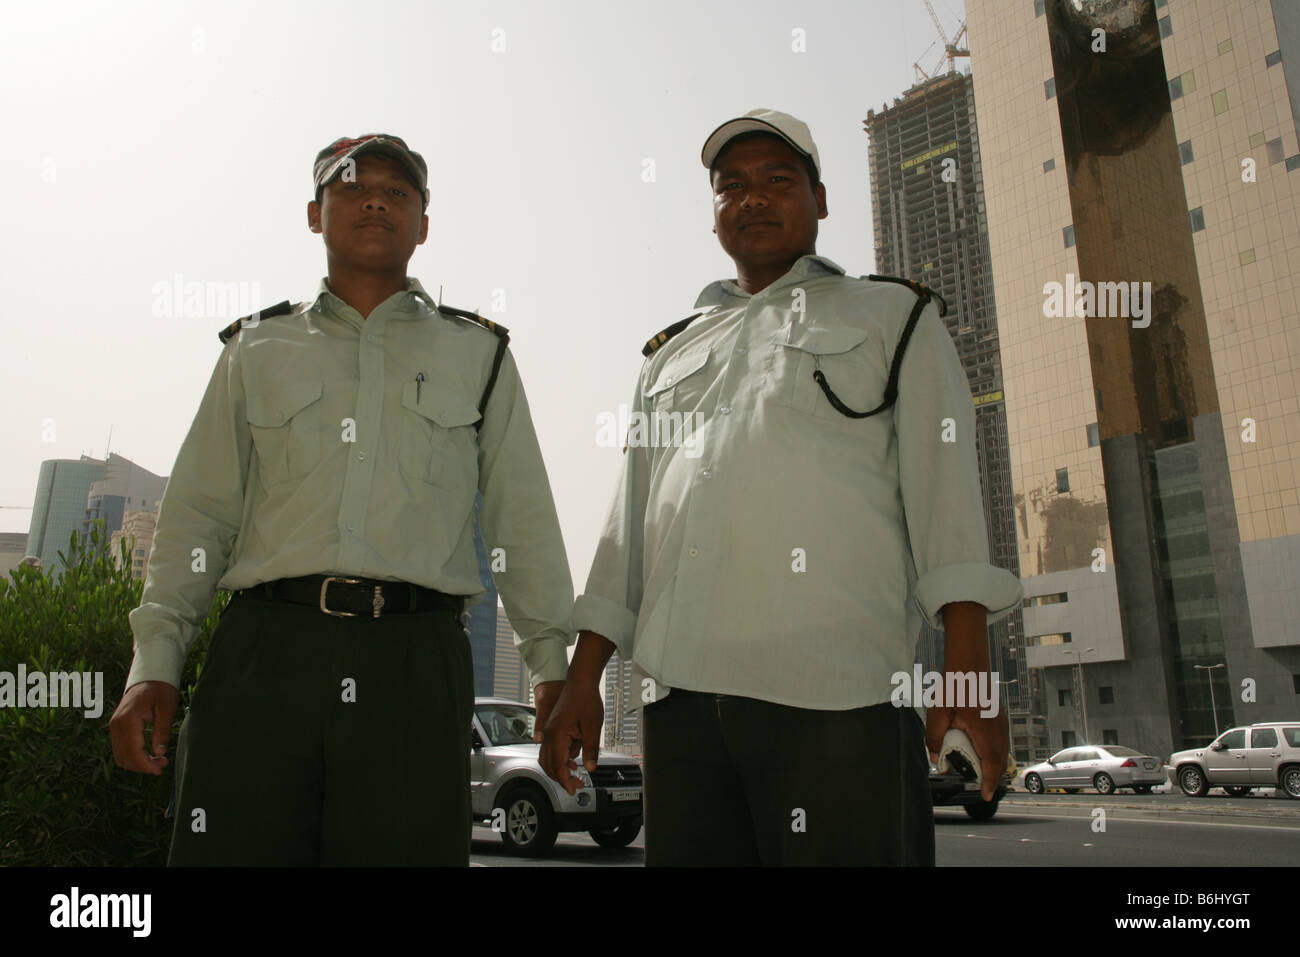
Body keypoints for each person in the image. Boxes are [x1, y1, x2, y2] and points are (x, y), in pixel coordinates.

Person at [540, 109, 1023, 865]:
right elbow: (626, 527)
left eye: (777, 179)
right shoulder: (668, 356)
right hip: (684, 712)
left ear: (821, 200)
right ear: (713, 215)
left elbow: (948, 497)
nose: (753, 197)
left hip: (839, 700)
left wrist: (969, 668)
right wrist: (582, 677)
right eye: (731, 185)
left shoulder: (894, 315)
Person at [109, 133, 573, 866]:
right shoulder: (255, 349)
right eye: (352, 185)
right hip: (264, 654)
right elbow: (198, 515)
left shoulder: (478, 355)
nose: (377, 197)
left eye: (399, 188)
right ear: (314, 213)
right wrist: (154, 663)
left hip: (413, 667)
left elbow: (523, 521)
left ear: (424, 223)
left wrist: (552, 667)